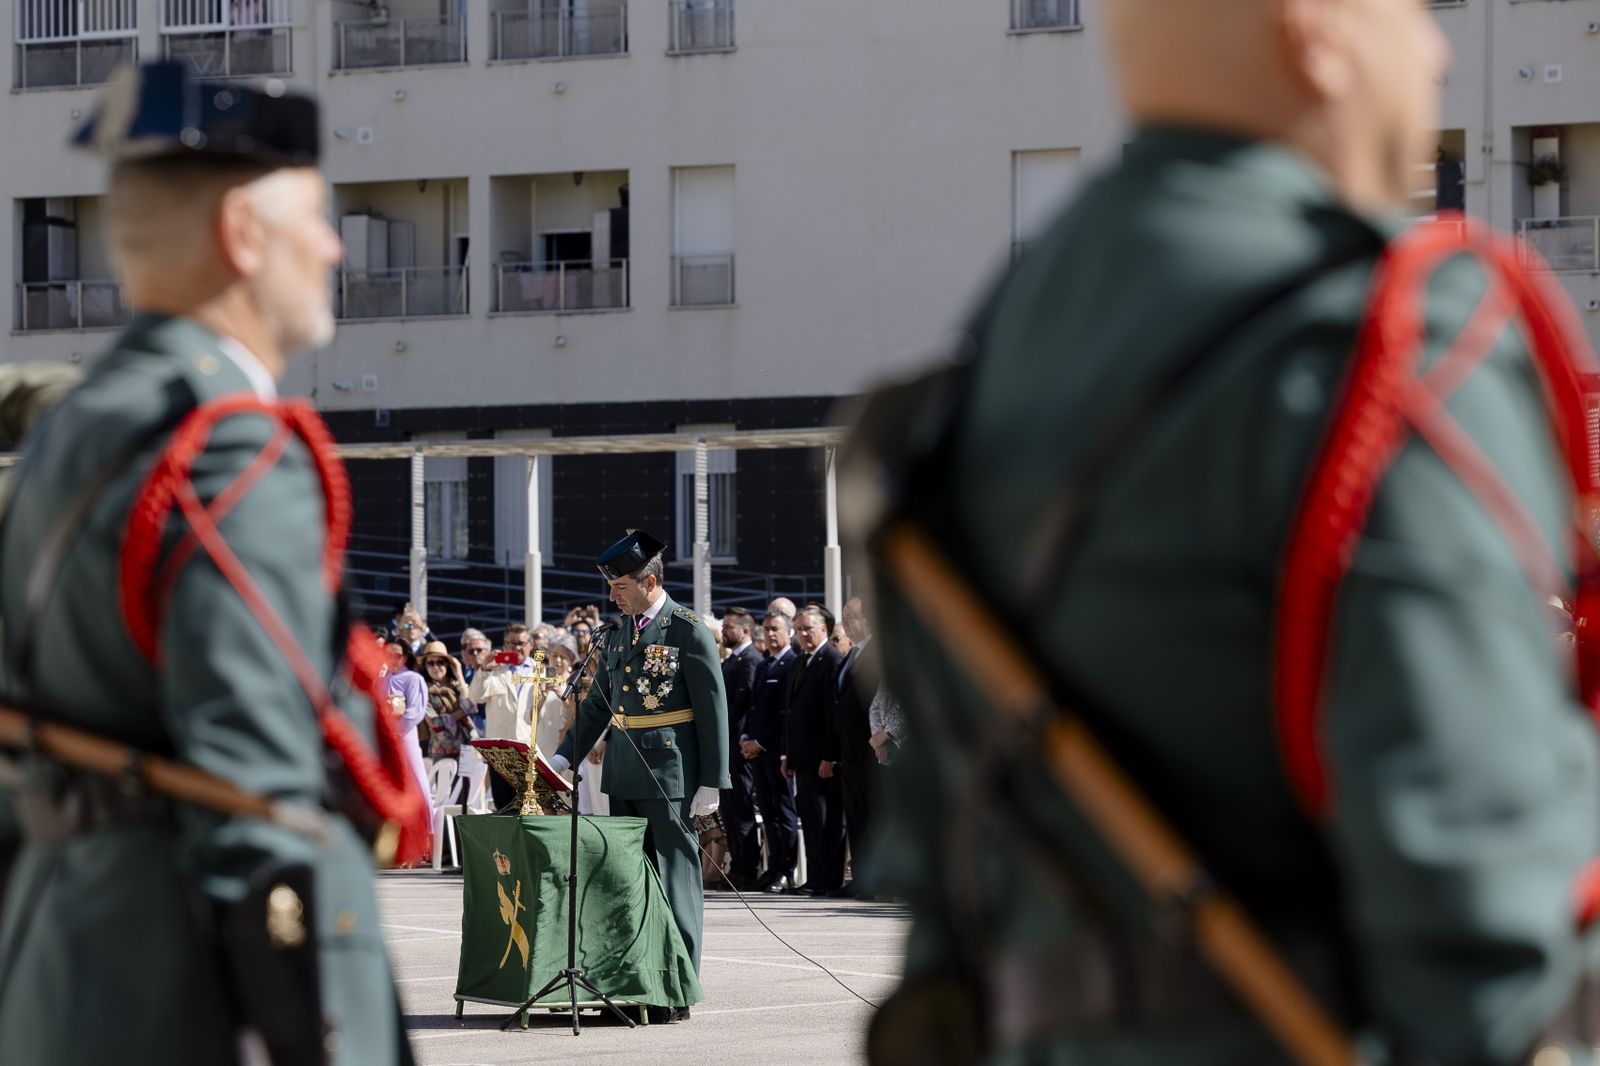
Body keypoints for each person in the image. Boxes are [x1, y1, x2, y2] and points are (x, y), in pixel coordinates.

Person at [847, 0, 1600, 1062]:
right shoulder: (1385, 331)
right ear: (1317, 32)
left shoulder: (1005, 341)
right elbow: (1483, 921)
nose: (1434, 50)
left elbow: (939, 896)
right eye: (1416, 12)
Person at [0, 62, 424, 1065]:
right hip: (186, 996)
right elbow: (260, 810)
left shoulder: (71, 431)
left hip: (65, 964)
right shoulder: (229, 444)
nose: (332, 250)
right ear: (243, 235)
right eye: (317, 221)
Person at [549, 530, 730, 1021]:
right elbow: (597, 706)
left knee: (673, 880)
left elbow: (713, 710)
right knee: (627, 883)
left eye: (621, 585)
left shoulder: (687, 629)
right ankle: (633, 984)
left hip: (672, 773)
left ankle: (677, 986)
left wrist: (712, 781)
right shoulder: (618, 633)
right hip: (625, 771)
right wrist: (565, 757)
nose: (612, 594)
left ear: (650, 581)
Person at [784, 606, 846, 896]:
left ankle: (828, 879)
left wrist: (830, 755)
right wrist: (788, 755)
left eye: (808, 628)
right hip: (803, 757)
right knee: (810, 818)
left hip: (822, 758)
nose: (802, 634)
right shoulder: (803, 661)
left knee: (826, 821)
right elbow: (792, 711)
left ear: (824, 629)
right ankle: (815, 876)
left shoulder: (830, 659)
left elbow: (832, 713)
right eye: (798, 629)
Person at [821, 596, 877, 896]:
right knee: (855, 816)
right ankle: (863, 879)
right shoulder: (851, 654)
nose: (845, 623)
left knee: (872, 815)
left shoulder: (877, 653)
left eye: (851, 617)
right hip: (849, 754)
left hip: (870, 751)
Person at [743, 611, 801, 892]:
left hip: (778, 751)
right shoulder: (765, 664)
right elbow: (754, 708)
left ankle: (786, 870)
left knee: (784, 814)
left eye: (776, 629)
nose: (770, 634)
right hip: (757, 753)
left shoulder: (792, 663)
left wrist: (761, 742)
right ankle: (773, 867)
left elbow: (783, 714)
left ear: (789, 632)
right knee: (768, 812)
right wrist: (746, 737)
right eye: (766, 629)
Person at [467, 623, 542, 810]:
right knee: (504, 809)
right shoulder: (494, 670)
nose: (516, 648)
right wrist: (484, 668)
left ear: (530, 644)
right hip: (500, 752)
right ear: (504, 644)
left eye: (520, 643)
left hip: (528, 751)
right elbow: (475, 696)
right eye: (511, 643)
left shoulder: (540, 670)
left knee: (528, 810)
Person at [717, 608, 763, 890]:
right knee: (730, 809)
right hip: (728, 746)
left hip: (739, 743)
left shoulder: (751, 660)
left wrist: (718, 723)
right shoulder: (731, 660)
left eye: (729, 627)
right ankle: (737, 865)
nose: (724, 631)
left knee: (742, 807)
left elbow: (741, 701)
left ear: (745, 630)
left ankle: (747, 867)